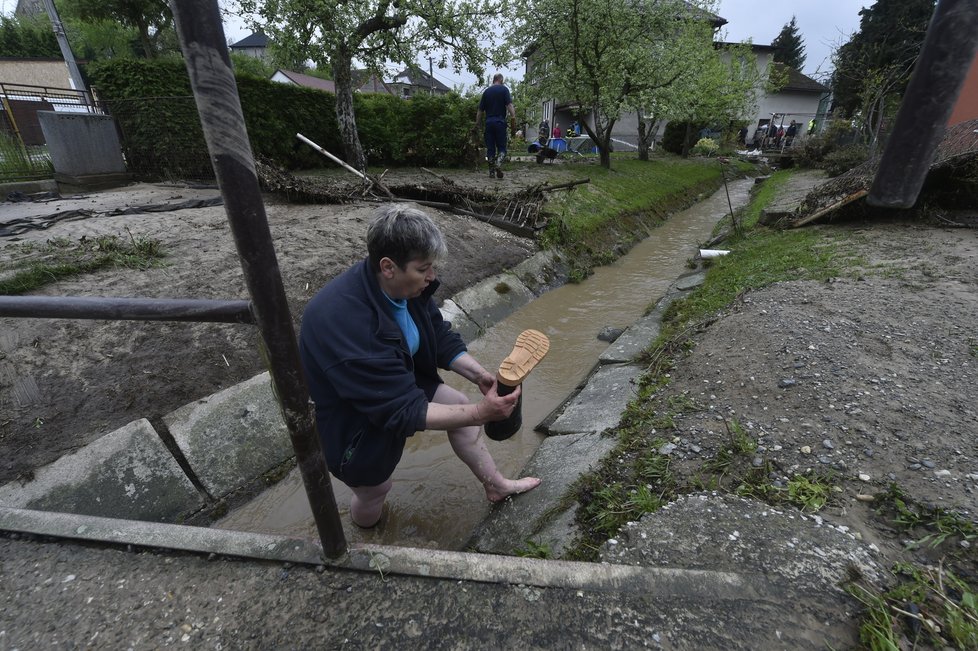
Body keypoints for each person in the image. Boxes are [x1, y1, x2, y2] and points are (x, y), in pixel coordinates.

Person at [299, 205, 542, 528]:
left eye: (433, 267)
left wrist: (479, 374)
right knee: (374, 489)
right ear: (388, 267)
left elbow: (436, 333)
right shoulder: (347, 322)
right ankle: (366, 537)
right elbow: (399, 408)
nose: (432, 278)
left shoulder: (405, 286)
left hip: (395, 378)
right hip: (353, 416)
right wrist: (483, 413)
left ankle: (495, 485)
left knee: (458, 407)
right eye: (424, 268)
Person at [475, 73, 516, 179]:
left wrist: (477, 124)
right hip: (500, 123)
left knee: (490, 149)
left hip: (489, 123)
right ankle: (498, 163)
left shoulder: (486, 92)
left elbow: (480, 110)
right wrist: (513, 117)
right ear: (501, 80)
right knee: (502, 148)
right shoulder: (504, 90)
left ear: (493, 80)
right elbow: (509, 105)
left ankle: (491, 172)